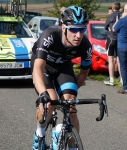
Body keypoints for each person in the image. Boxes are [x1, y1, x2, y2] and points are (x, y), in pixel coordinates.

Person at [31, 6, 91, 150]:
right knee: (49, 103)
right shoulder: (50, 34)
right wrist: (43, 95)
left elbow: (84, 72)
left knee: (71, 106)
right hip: (43, 67)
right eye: (74, 29)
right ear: (63, 27)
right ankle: (39, 133)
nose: (78, 35)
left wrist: (70, 94)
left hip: (63, 68)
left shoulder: (85, 45)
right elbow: (38, 68)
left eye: (82, 29)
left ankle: (72, 147)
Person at [104, 2, 121, 86]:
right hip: (120, 39)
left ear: (113, 8)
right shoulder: (122, 15)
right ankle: (122, 79)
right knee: (119, 60)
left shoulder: (111, 15)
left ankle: (111, 80)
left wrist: (109, 27)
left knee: (110, 60)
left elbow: (105, 26)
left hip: (111, 38)